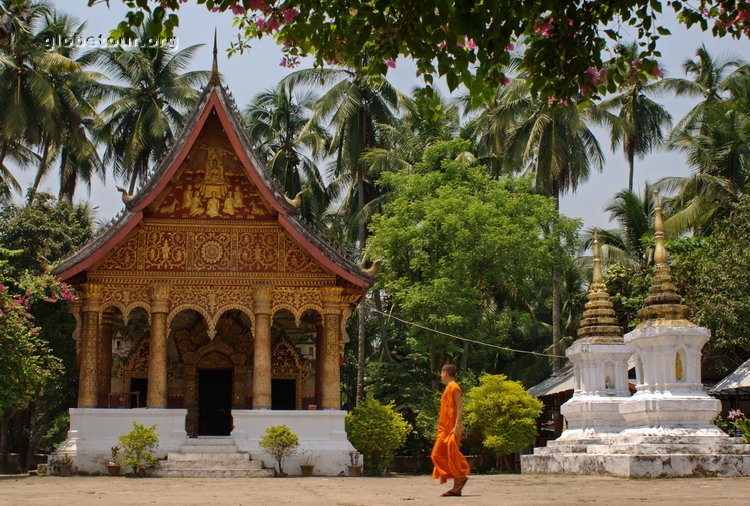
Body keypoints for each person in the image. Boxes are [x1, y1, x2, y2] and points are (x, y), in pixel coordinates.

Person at [431, 363, 470, 497]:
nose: (440, 376)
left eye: (441, 373)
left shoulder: (454, 386)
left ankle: (460, 477)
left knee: (438, 454)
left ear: (445, 373)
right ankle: (457, 486)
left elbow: (460, 406)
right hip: (444, 429)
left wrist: (457, 426)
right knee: (448, 456)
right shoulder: (449, 387)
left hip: (451, 428)